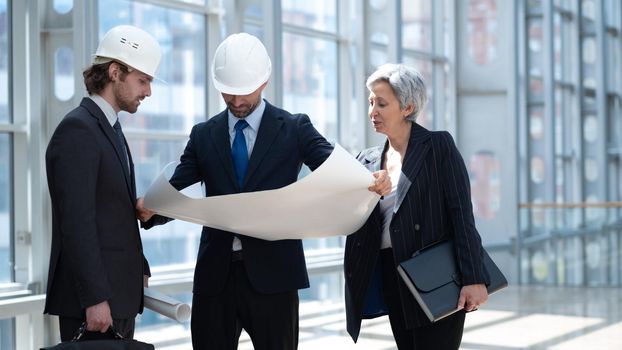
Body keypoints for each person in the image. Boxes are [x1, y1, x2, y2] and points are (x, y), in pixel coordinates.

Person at [136, 32, 389, 350]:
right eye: (229, 93)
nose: (237, 102)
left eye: (245, 93)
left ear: (265, 80)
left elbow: (337, 169)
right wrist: (151, 210)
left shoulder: (295, 128)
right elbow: (177, 193)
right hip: (216, 280)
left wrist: (371, 179)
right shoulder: (203, 135)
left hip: (275, 278)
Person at [343, 63, 490, 349]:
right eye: (371, 102)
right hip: (391, 274)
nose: (372, 111)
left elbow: (462, 215)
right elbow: (352, 217)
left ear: (408, 107)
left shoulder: (438, 147)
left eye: (382, 103)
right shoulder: (368, 160)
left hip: (435, 274)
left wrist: (474, 279)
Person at [44, 25, 162, 341]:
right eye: (143, 80)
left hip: (116, 300)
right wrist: (95, 299)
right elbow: (77, 223)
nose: (148, 91)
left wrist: (139, 263)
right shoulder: (78, 130)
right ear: (114, 72)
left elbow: (111, 214)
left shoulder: (110, 130)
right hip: (94, 307)